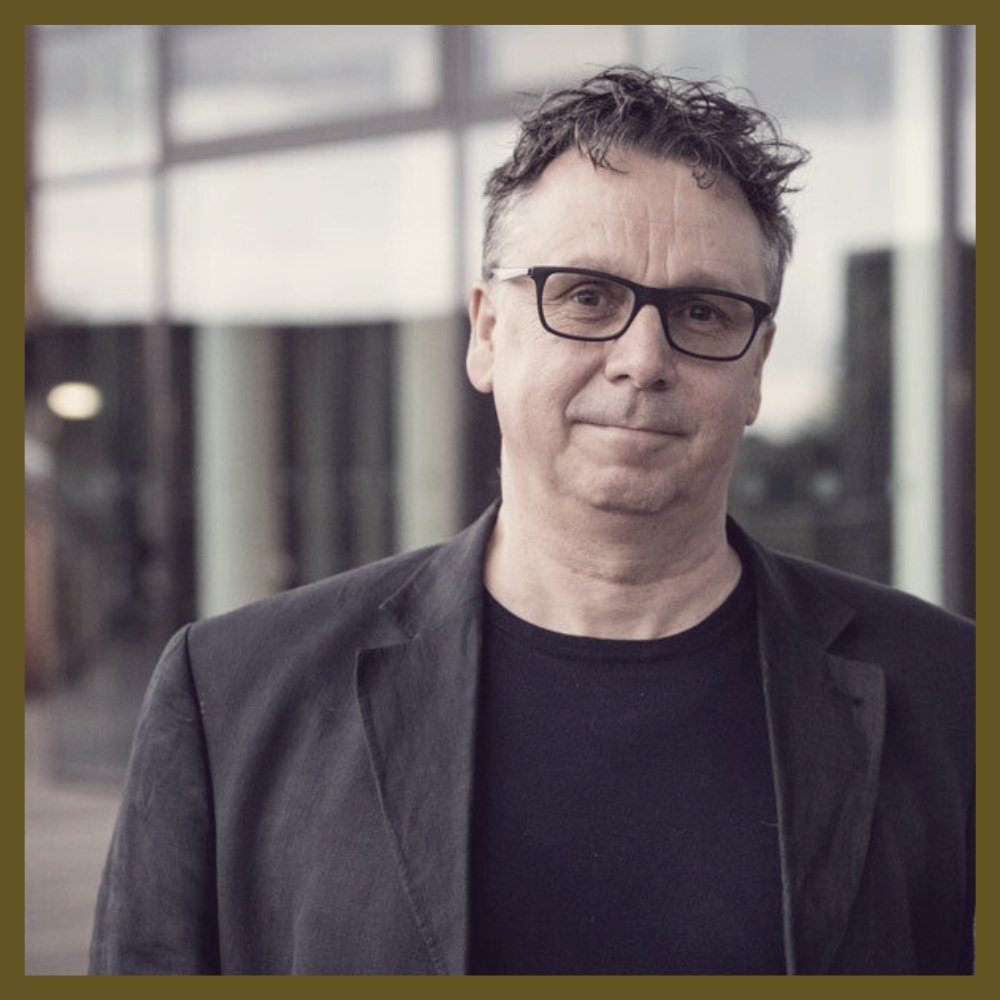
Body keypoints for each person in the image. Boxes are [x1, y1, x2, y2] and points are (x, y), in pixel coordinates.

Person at [89, 66, 974, 976]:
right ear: (486, 333)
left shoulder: (954, 694)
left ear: (756, 369)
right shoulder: (228, 696)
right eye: (586, 296)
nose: (642, 359)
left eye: (704, 313)